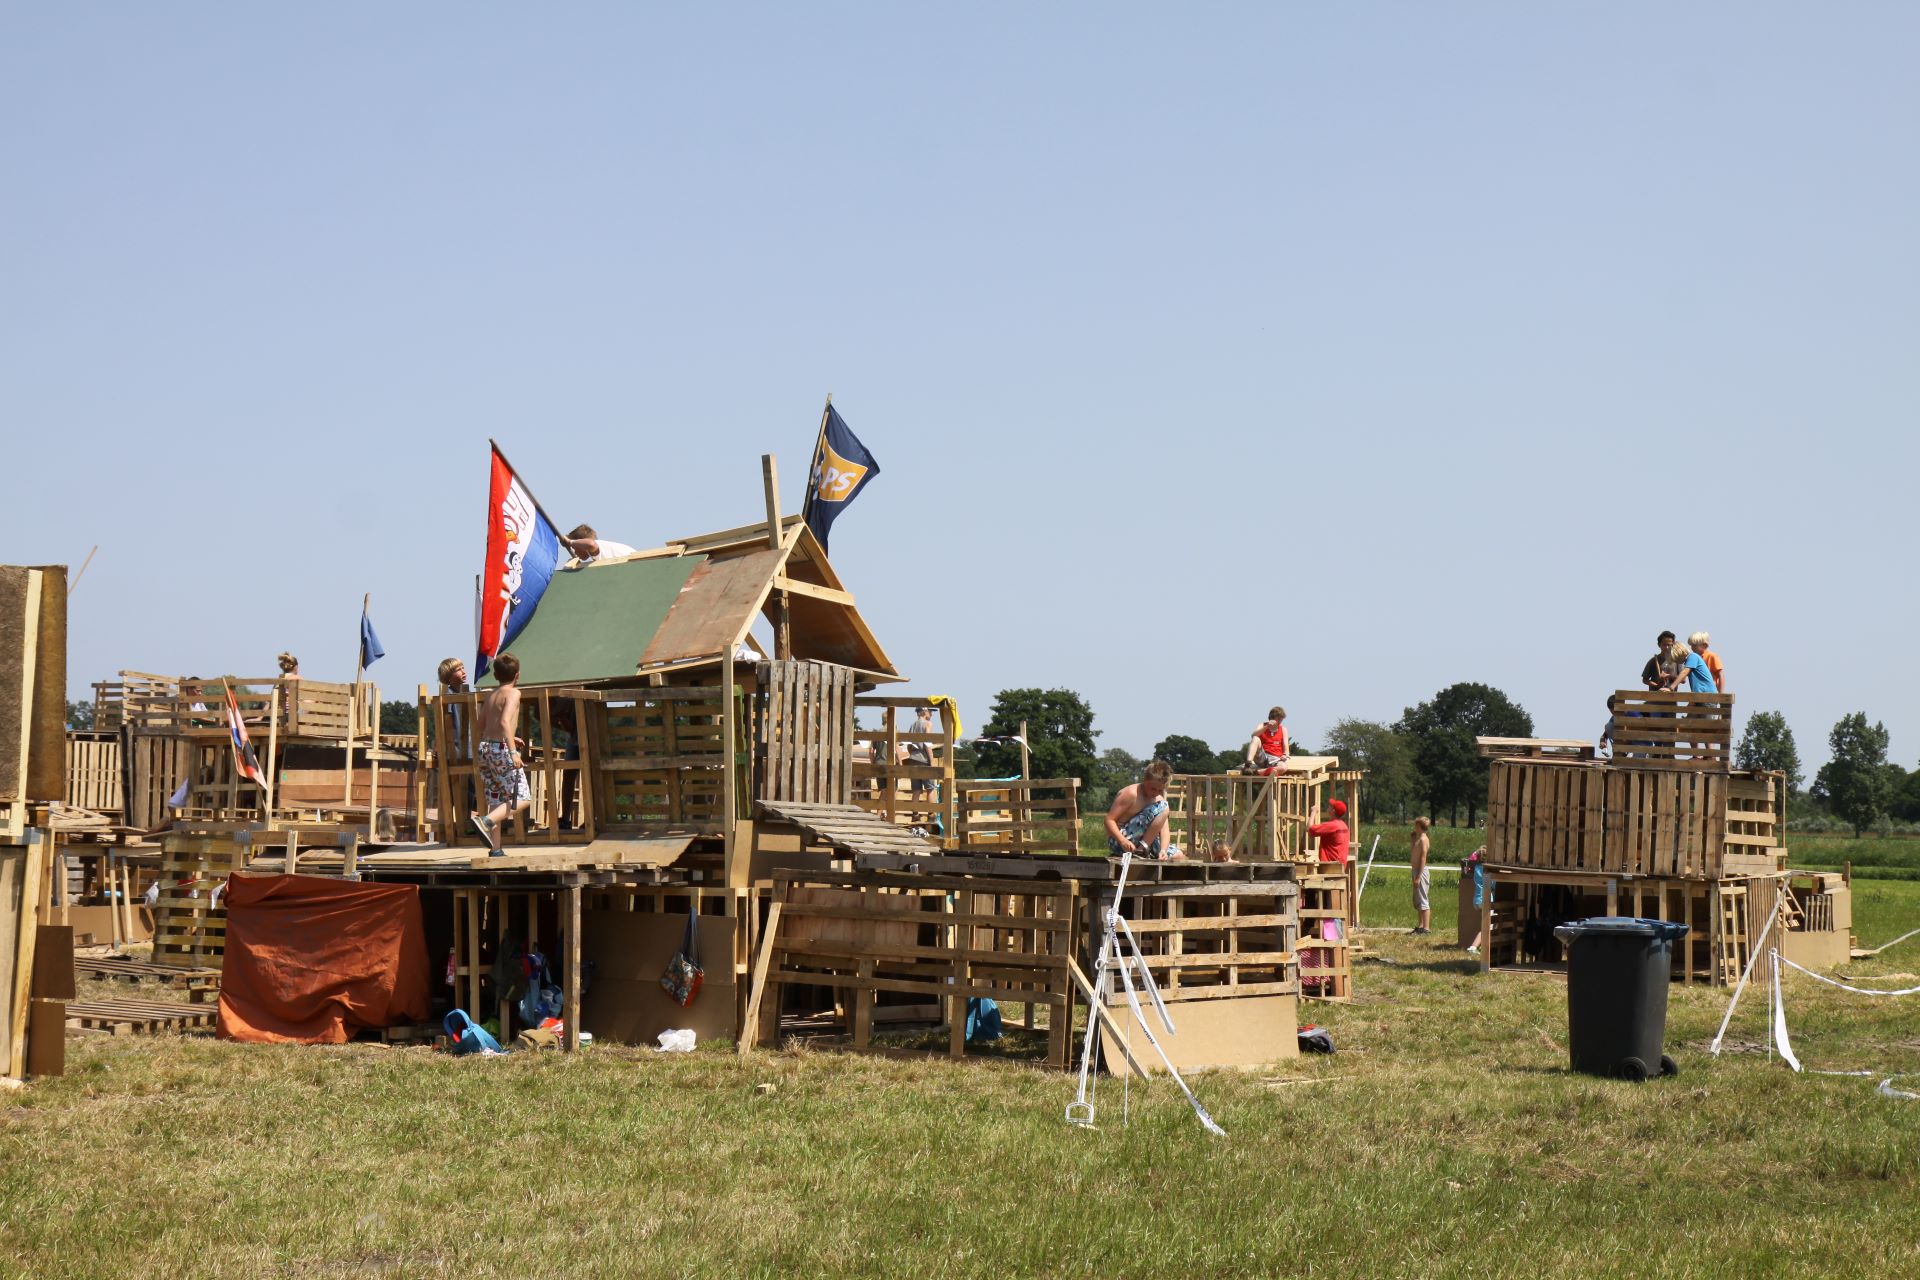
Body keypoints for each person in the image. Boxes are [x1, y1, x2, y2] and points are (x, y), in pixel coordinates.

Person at [471, 653, 531, 855]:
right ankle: (485, 821)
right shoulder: (514, 693)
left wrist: (512, 737)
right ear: (517, 675)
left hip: (485, 747)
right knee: (523, 798)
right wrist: (513, 751)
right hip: (501, 749)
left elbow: (481, 725)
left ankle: (495, 849)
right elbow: (505, 721)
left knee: (495, 798)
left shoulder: (491, 695)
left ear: (495, 675)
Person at [1106, 760, 1181, 860]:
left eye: (1160, 790)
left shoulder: (1159, 799)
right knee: (1164, 806)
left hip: (1144, 842)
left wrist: (1163, 850)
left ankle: (1145, 851)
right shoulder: (1131, 794)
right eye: (1153, 788)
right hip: (1121, 842)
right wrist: (1123, 841)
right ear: (1145, 780)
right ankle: (1141, 851)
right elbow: (1109, 820)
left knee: (1178, 855)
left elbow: (1164, 830)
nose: (1156, 793)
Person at [1243, 706, 1289, 773]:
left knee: (1283, 768)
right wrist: (1267, 726)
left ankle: (1257, 772)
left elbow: (1286, 748)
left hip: (1276, 759)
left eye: (1281, 719)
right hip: (1263, 757)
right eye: (1278, 719)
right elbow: (1253, 735)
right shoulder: (1262, 725)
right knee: (1255, 738)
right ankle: (1248, 765)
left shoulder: (1283, 729)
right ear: (1272, 718)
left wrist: (1285, 755)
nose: (1280, 721)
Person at [565, 524, 639, 566]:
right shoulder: (604, 551)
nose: (574, 552)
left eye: (574, 547)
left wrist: (570, 542)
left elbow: (591, 544)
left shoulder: (597, 546)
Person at [905, 706, 937, 799]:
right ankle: (931, 809)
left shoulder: (912, 725)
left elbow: (908, 746)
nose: (932, 714)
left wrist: (913, 754)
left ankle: (915, 809)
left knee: (916, 790)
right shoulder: (928, 724)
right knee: (930, 789)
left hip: (913, 759)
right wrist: (932, 762)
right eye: (930, 711)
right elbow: (927, 744)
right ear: (924, 711)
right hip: (924, 760)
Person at [1307, 799, 1351, 864]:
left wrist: (1313, 812)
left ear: (1333, 811)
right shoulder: (1344, 826)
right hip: (1340, 865)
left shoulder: (1332, 825)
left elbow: (1310, 830)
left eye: (1330, 806)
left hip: (1330, 865)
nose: (1328, 806)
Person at [1464, 845, 1488, 957]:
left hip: (1477, 900)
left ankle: (1481, 946)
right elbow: (1491, 884)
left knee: (1485, 924)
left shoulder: (1477, 868)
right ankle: (1473, 947)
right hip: (1485, 900)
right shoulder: (1487, 869)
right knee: (1488, 926)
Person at [1410, 816, 1432, 935]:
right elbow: (1413, 851)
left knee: (1423, 899)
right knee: (1418, 899)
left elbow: (1423, 857)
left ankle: (1426, 928)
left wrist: (1419, 876)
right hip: (1415, 870)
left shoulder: (1424, 839)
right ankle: (1420, 925)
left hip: (1421, 872)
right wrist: (1413, 839)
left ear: (1420, 826)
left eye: (1416, 825)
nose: (1414, 827)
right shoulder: (1418, 838)